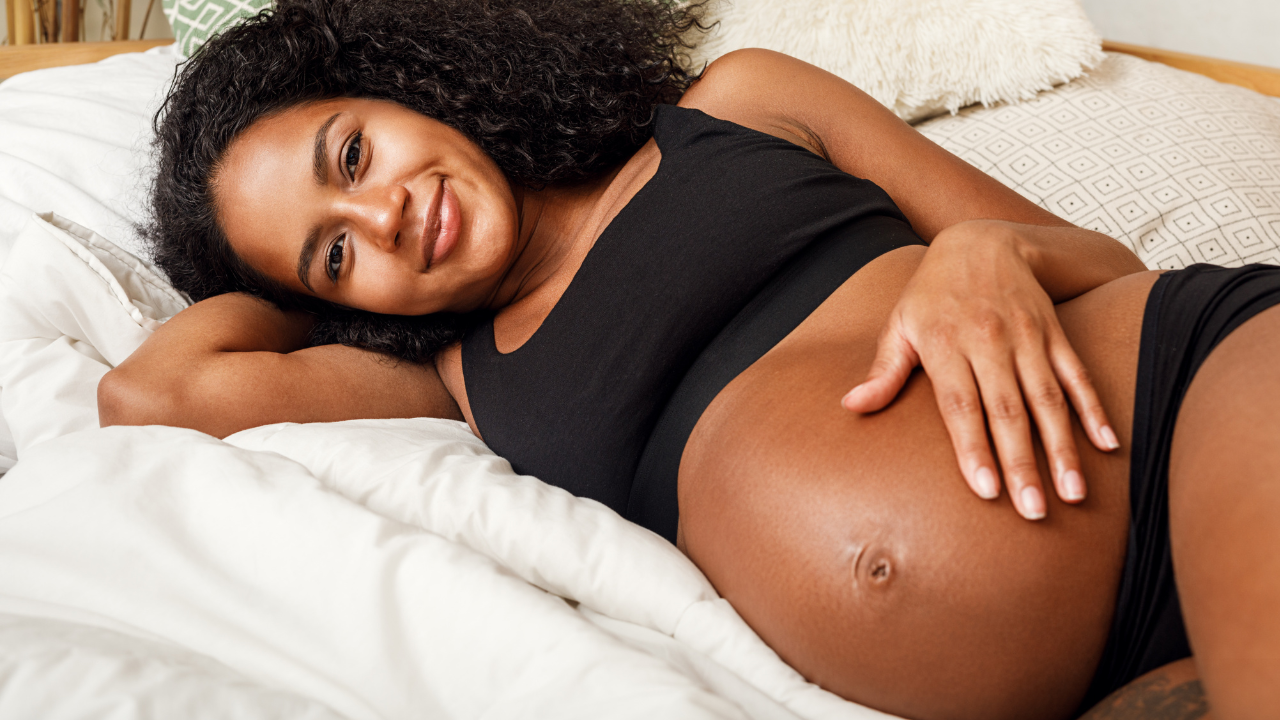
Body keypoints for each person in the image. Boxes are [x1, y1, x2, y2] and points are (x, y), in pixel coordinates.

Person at [97, 1, 1280, 718]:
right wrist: (344, 307)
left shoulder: (740, 104)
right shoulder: (453, 377)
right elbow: (153, 393)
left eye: (352, 154)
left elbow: (1093, 255)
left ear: (414, 83)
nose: (384, 218)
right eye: (331, 254)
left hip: (1187, 397)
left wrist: (979, 249)